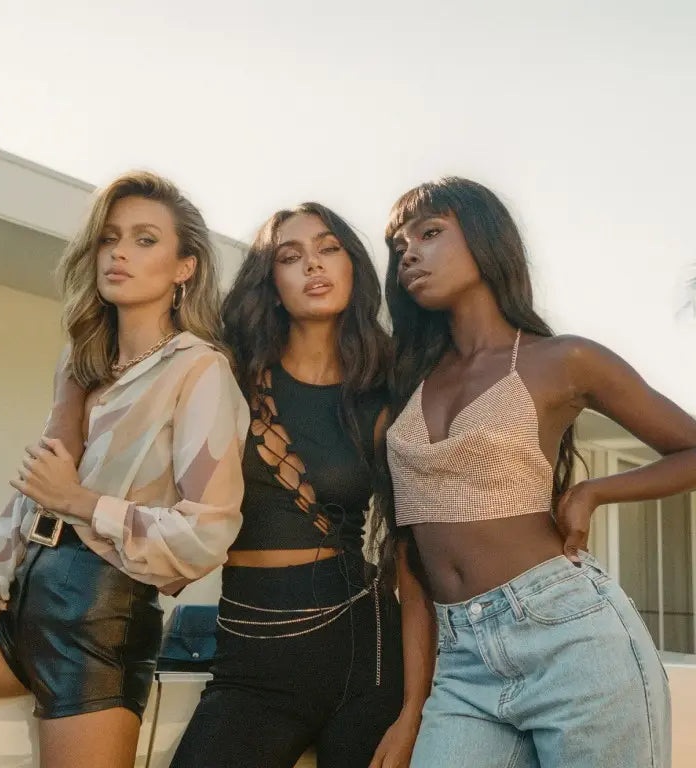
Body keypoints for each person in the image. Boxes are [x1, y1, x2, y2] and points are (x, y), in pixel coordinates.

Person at [0, 171, 249, 768]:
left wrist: (78, 501)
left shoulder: (200, 371)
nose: (120, 252)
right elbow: (25, 505)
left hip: (100, 619)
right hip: (23, 598)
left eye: (145, 239)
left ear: (185, 267)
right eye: (109, 238)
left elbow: (206, 535)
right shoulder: (80, 363)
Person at [381, 176, 696, 767]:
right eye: (400, 247)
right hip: (462, 663)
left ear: (485, 238)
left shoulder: (564, 360)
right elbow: (410, 557)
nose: (410, 255)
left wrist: (593, 491)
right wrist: (410, 708)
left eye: (430, 233)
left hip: (570, 638)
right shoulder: (408, 382)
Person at [171, 203, 433, 768]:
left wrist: (415, 707)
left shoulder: (384, 390)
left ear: (353, 265)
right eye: (291, 256)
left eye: (329, 248)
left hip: (368, 655)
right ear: (271, 281)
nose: (314, 265)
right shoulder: (226, 375)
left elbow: (408, 552)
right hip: (250, 656)